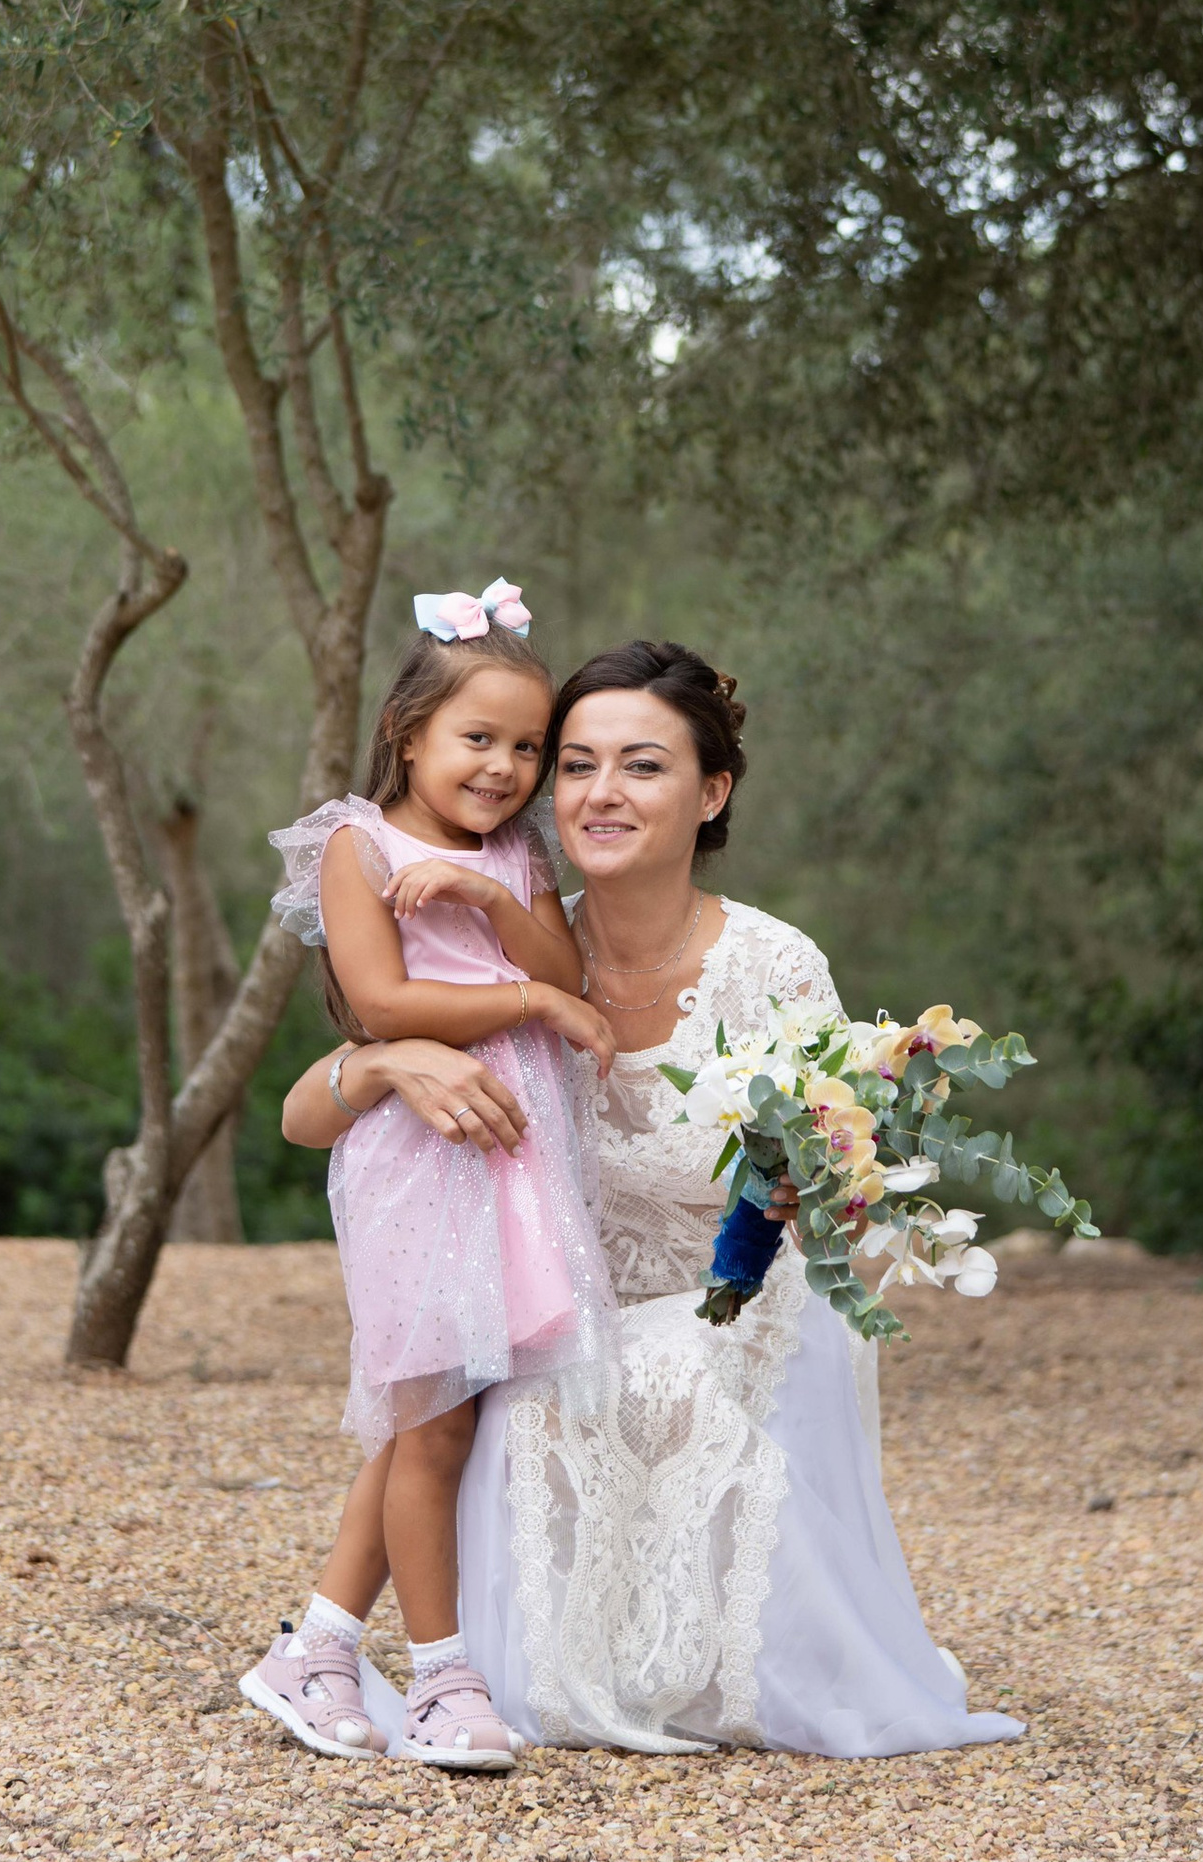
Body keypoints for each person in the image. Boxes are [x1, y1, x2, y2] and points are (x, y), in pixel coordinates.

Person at [282, 636, 1018, 1758]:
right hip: (552, 1315)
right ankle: (404, 1661)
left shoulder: (772, 967)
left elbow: (821, 1200)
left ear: (709, 790)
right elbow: (305, 1109)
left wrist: (795, 1207)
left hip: (725, 1307)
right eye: (574, 764)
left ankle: (721, 1647)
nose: (596, 792)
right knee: (482, 1393)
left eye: (641, 766)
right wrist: (386, 1065)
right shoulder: (505, 926)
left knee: (713, 1358)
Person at [237, 582, 617, 1774]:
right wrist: (531, 1000)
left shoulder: (514, 855)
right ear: (408, 732)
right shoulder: (358, 842)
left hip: (516, 1154)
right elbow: (384, 1004)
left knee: (436, 1419)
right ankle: (445, 1676)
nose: (504, 768)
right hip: (421, 1154)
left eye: (525, 749)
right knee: (434, 1424)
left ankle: (317, 1649)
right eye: (478, 739)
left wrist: (496, 904)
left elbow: (568, 968)